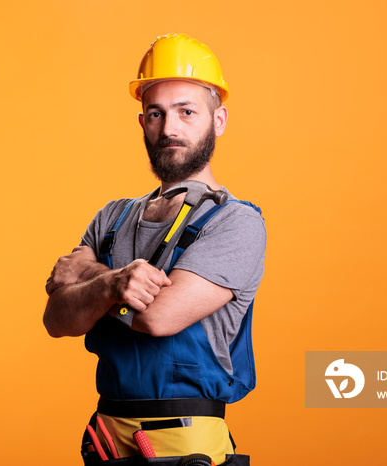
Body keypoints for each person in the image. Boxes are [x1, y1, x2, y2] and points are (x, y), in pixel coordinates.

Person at [43, 33, 266, 466]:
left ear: (218, 120)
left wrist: (87, 281)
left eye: (187, 112)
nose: (170, 129)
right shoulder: (113, 217)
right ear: (142, 121)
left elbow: (155, 317)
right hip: (107, 435)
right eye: (156, 114)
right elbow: (56, 319)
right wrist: (113, 282)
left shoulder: (236, 222)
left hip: (186, 443)